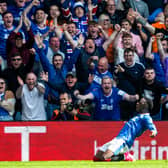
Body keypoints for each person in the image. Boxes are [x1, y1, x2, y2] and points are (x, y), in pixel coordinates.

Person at [93, 97, 157, 161]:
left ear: (146, 105)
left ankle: (124, 157)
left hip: (124, 141)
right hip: (118, 139)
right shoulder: (137, 116)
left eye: (140, 102)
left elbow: (152, 127)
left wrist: (153, 132)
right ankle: (123, 156)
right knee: (96, 158)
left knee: (105, 157)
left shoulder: (146, 117)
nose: (137, 103)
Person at [74, 76, 139, 121]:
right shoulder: (97, 92)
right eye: (104, 83)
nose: (107, 85)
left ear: (111, 85)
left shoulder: (117, 92)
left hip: (114, 122)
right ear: (101, 85)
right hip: (99, 123)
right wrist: (77, 95)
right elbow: (85, 97)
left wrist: (134, 97)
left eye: (108, 83)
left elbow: (129, 97)